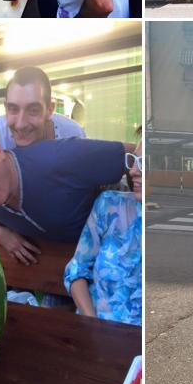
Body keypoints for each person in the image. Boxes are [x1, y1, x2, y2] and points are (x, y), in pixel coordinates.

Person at [0, 117, 129, 264]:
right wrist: (1, 234)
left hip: (119, 254)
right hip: (65, 269)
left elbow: (134, 154)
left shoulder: (59, 158)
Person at [64, 135, 142, 325]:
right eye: (134, 160)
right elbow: (76, 271)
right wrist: (92, 324)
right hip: (96, 335)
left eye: (145, 163)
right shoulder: (110, 205)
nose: (133, 171)